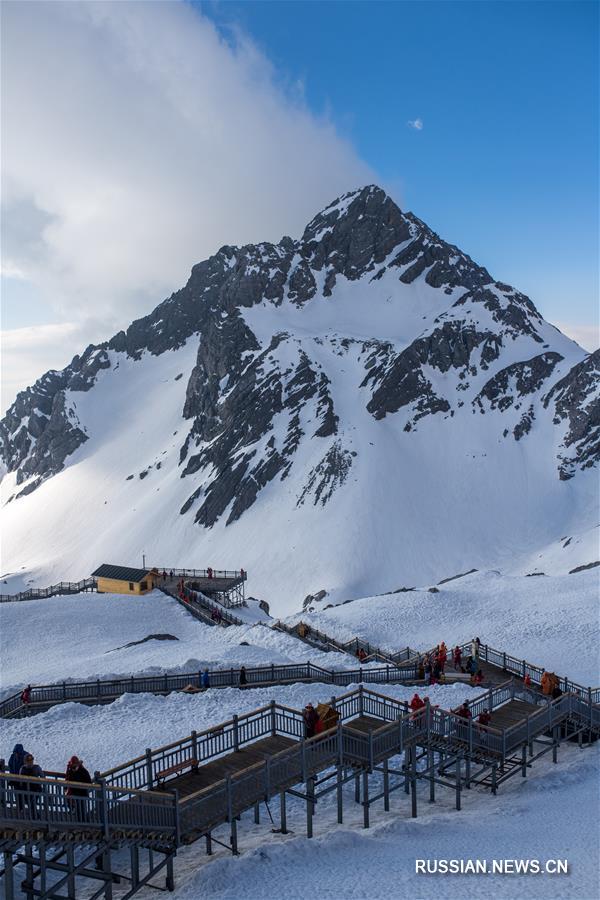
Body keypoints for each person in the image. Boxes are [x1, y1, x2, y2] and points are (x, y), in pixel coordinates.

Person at [19, 753, 43, 819]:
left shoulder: (37, 768)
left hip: (36, 789)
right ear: (25, 761)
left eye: (31, 760)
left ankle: (35, 817)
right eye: (28, 761)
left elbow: (43, 777)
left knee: (32, 803)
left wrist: (39, 781)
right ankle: (36, 816)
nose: (30, 762)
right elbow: (20, 779)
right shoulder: (22, 768)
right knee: (30, 803)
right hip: (26, 789)